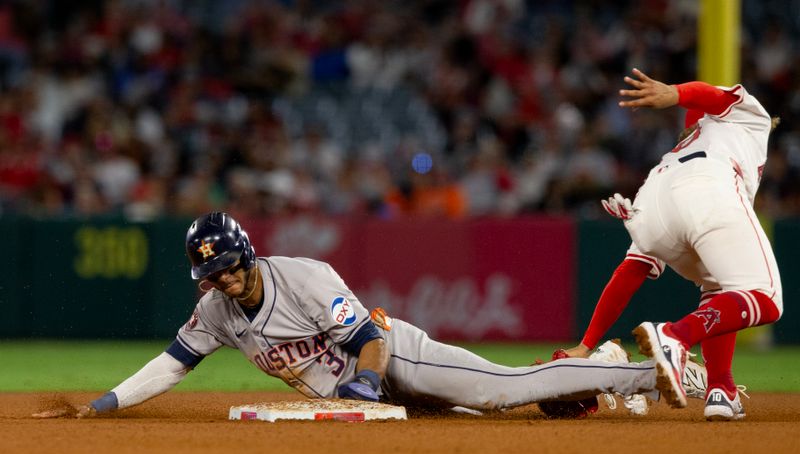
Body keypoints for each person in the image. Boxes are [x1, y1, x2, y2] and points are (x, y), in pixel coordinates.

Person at [35, 211, 671, 419]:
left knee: (504, 393)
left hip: (394, 357)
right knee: (500, 411)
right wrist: (105, 405)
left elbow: (367, 338)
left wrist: (367, 384)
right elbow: (170, 367)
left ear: (246, 253)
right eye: (212, 274)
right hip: (364, 397)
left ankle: (647, 369)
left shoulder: (304, 277)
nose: (224, 278)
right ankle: (599, 376)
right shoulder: (217, 312)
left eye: (229, 265)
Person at [562, 69, 782, 421]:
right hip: (707, 184)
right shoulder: (747, 117)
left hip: (651, 202)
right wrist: (676, 93)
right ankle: (676, 335)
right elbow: (713, 96)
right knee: (766, 300)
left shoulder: (671, 157)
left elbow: (630, 271)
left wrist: (585, 344)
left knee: (718, 284)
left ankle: (720, 390)